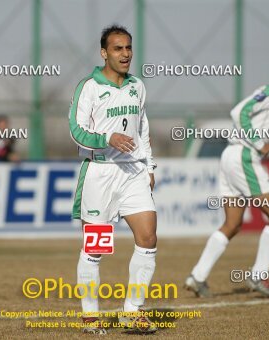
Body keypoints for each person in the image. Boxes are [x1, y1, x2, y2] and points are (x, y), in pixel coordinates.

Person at [185, 54, 269, 298]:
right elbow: (239, 112)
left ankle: (197, 277)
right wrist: (258, 143)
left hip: (231, 156)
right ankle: (258, 277)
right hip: (243, 157)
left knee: (233, 224)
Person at [69, 25, 157, 334]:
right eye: (118, 49)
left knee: (148, 238)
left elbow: (142, 128)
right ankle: (90, 317)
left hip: (133, 172)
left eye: (128, 48)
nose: (125, 54)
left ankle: (133, 311)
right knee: (96, 248)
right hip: (100, 172)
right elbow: (76, 132)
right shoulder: (88, 87)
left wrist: (150, 166)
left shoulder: (137, 86)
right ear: (104, 53)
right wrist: (108, 137)